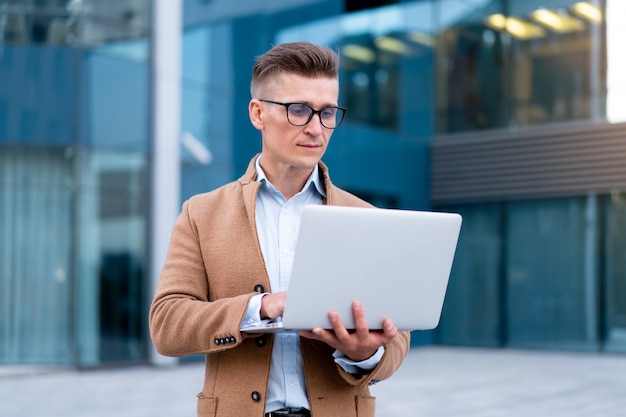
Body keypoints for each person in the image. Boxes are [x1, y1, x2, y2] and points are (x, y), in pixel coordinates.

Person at [149, 41, 410, 417]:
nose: (316, 128)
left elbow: (398, 336)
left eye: (327, 112)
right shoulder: (201, 214)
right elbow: (167, 325)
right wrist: (262, 307)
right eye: (299, 110)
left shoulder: (366, 216)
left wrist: (366, 353)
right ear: (258, 113)